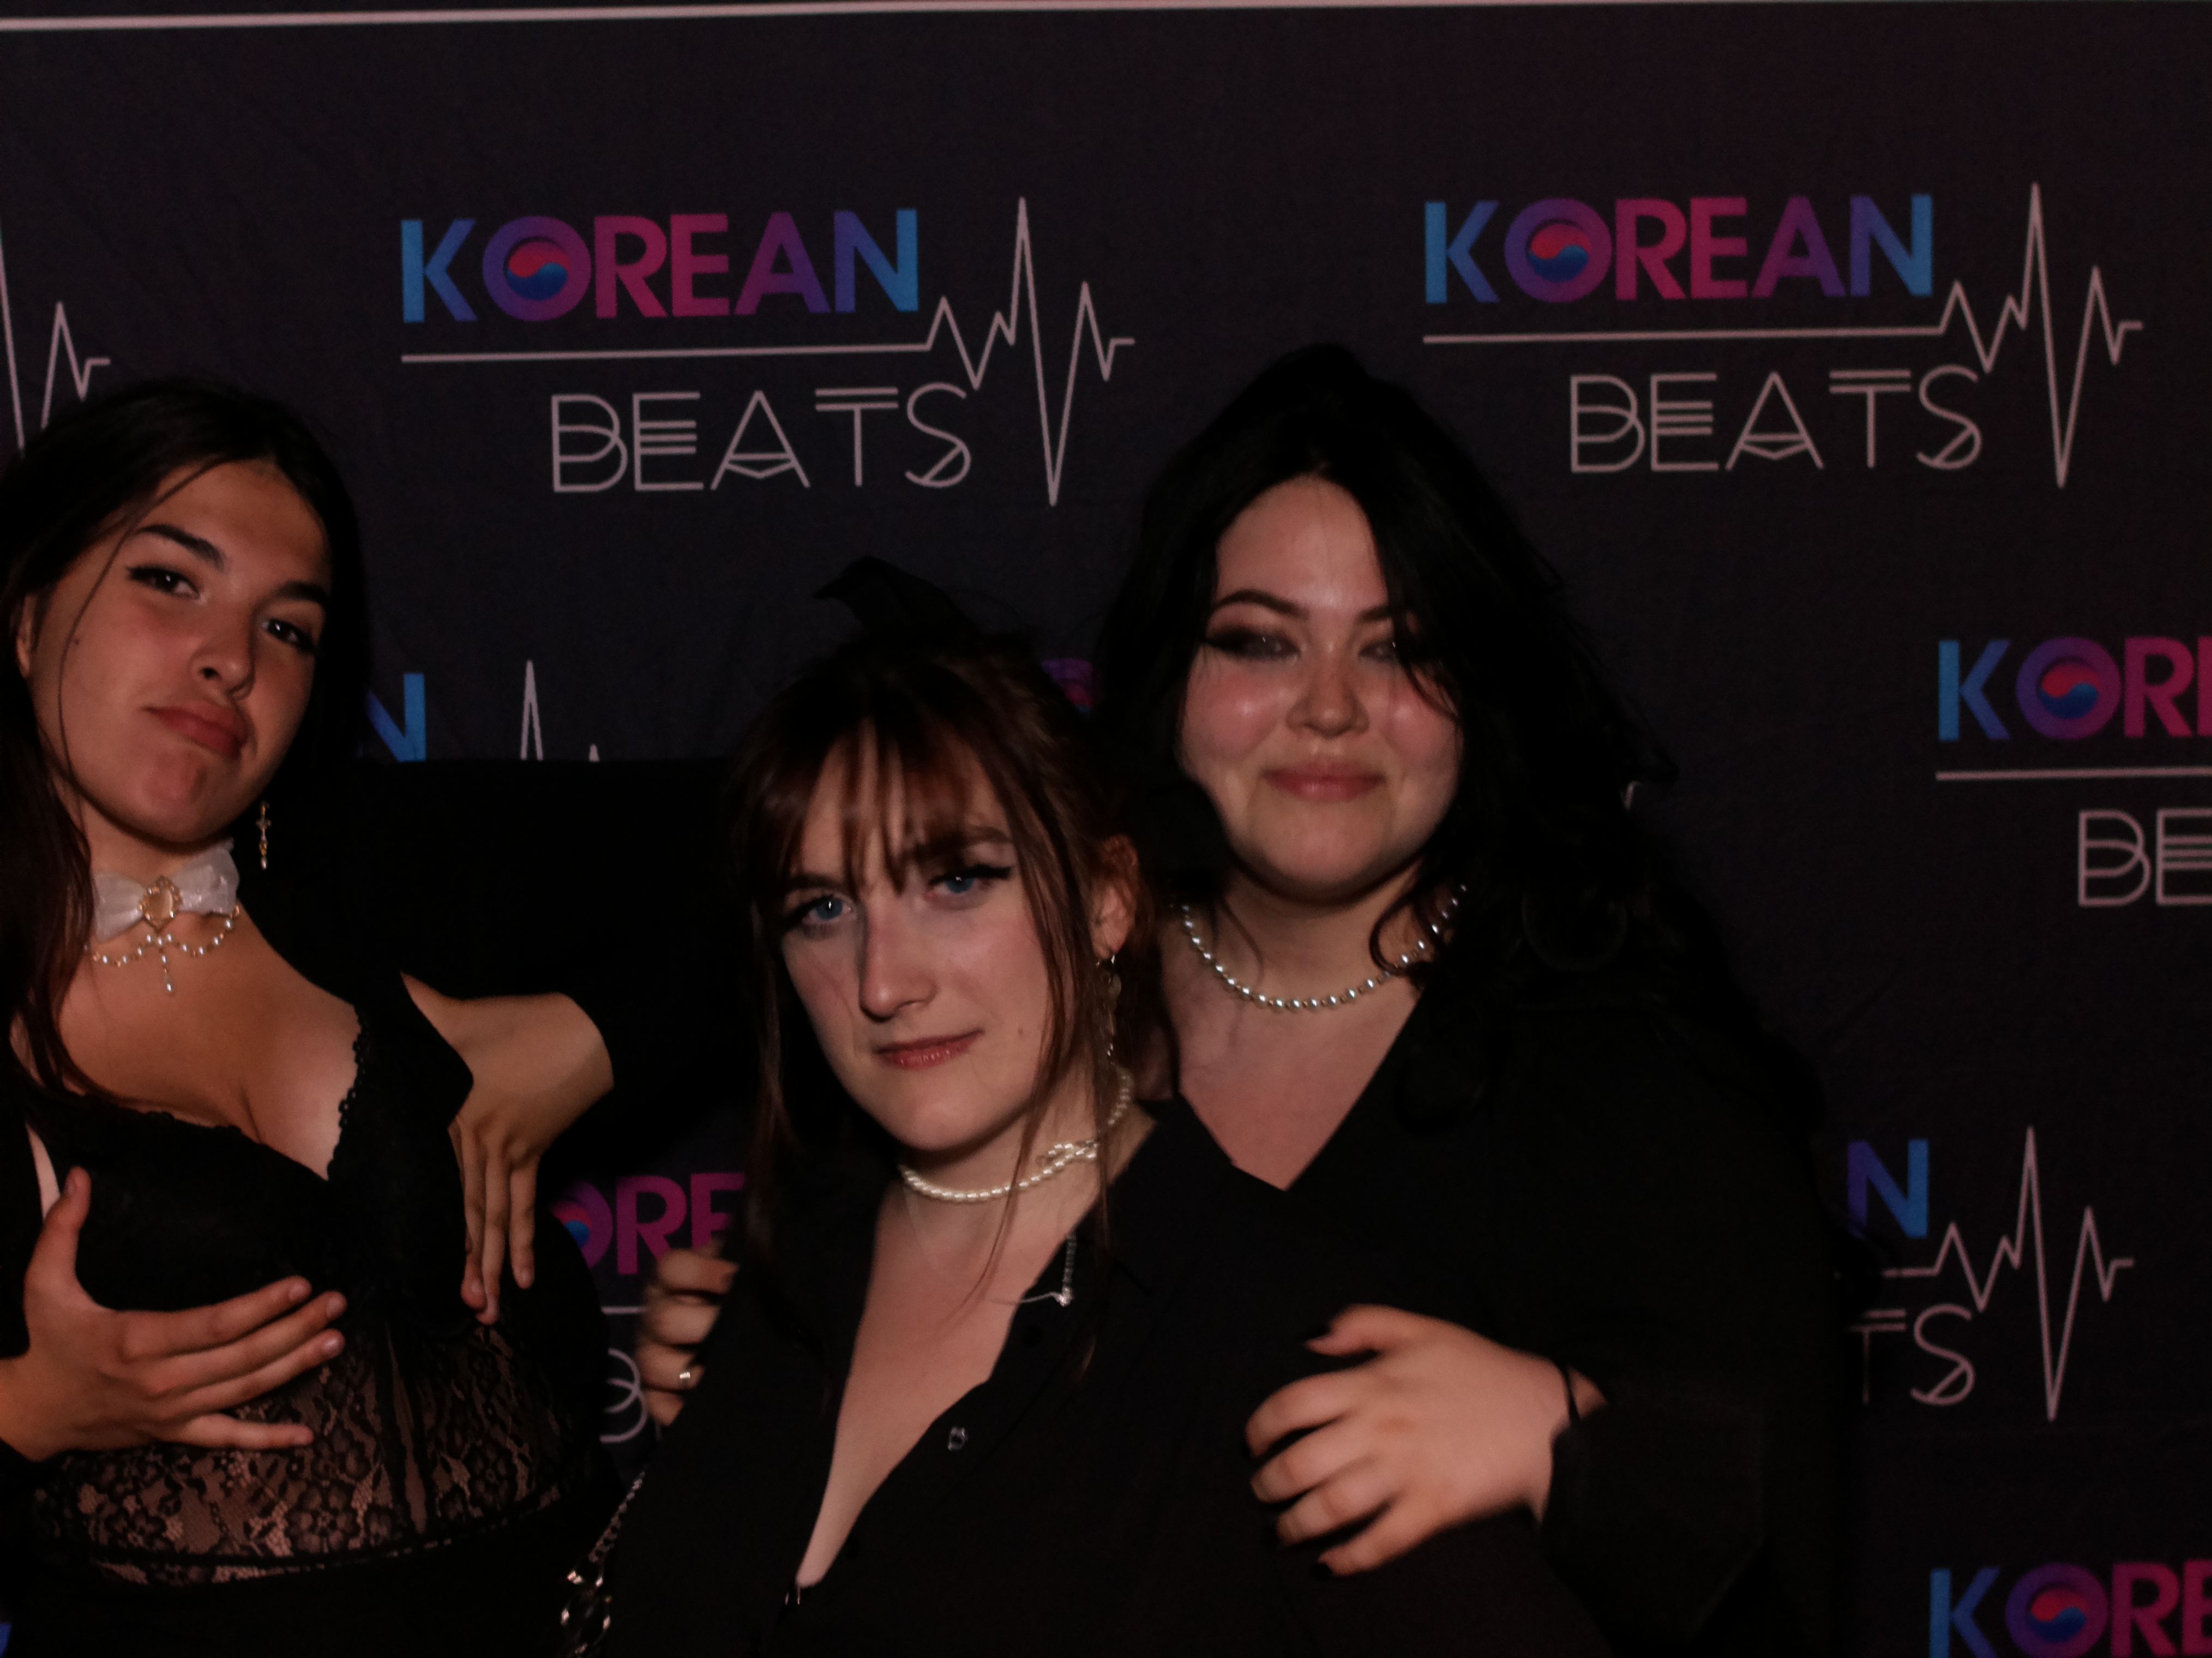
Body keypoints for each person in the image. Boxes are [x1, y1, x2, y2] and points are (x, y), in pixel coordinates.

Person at [640, 349, 1843, 1656]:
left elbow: (1781, 1559)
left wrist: (1565, 1435)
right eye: (1262, 641)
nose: (1328, 707)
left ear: (1480, 693)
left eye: (1400, 648)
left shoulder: (1638, 1091)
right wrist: (780, 1370)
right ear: (1173, 675)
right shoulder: (998, 991)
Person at [599, 614, 1610, 1656]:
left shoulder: (1288, 1335)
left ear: (1107, 902)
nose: (883, 981)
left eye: (957, 880)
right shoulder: (774, 1276)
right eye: (823, 908)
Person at [0, 380, 635, 1655]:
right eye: (169, 580)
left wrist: (594, 1036)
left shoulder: (364, 871)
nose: (232, 657)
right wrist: (23, 1411)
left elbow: (782, 823)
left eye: (287, 628)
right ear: (26, 616)